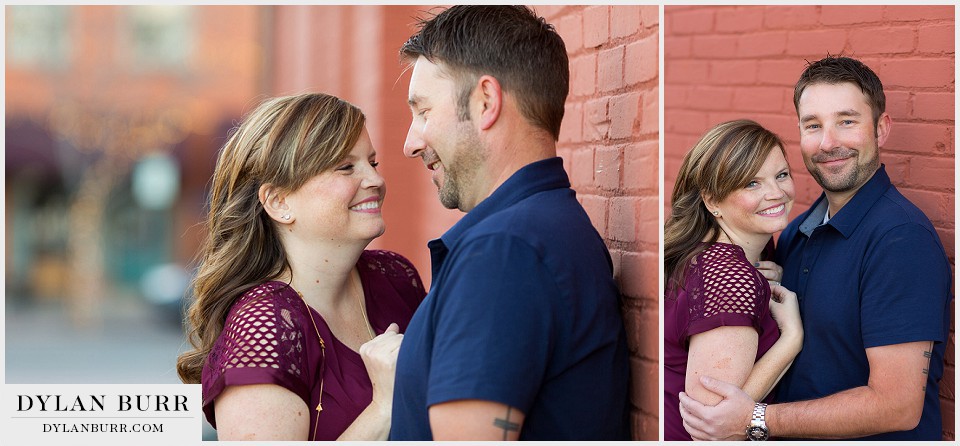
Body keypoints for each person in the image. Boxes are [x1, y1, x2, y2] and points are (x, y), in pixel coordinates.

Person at [679, 56, 953, 441]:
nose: (828, 143)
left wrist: (757, 419)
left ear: (881, 129)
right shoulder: (794, 234)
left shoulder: (900, 240)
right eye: (814, 125)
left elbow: (898, 405)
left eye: (847, 121)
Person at [389, 5, 630, 441]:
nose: (410, 142)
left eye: (423, 111)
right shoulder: (542, 232)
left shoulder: (503, 252)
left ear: (485, 101)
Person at [175, 93, 426, 441]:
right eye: (345, 167)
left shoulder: (396, 278)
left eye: (372, 163)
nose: (375, 180)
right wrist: (384, 408)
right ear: (279, 202)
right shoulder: (262, 328)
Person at [663, 120, 803, 441]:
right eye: (752, 183)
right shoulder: (729, 275)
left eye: (781, 175)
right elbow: (713, 425)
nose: (776, 193)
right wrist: (791, 339)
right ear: (712, 201)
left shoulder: (713, 251)